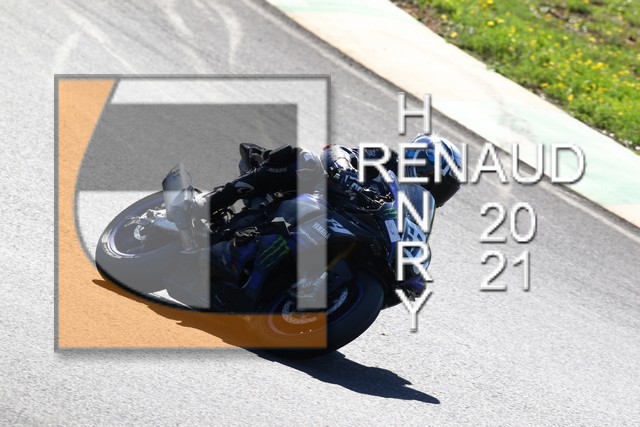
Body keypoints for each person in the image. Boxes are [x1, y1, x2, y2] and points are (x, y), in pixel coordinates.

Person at [194, 134, 462, 294]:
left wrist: (414, 275)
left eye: (444, 188)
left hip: (353, 231)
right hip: (321, 197)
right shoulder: (386, 158)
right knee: (303, 160)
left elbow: (412, 244)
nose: (435, 189)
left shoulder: (414, 211)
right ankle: (205, 205)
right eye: (435, 179)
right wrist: (345, 170)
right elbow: (339, 151)